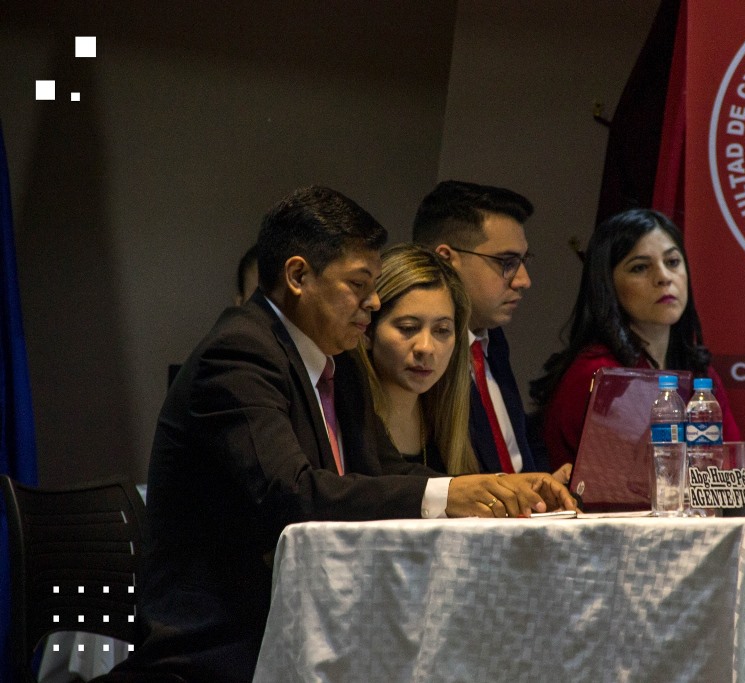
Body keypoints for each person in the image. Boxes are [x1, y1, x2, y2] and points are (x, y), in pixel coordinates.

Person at [110, 186, 574, 683]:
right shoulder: (240, 353)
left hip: (313, 625)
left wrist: (499, 489)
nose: (373, 302)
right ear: (297, 276)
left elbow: (380, 468)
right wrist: (448, 492)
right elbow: (290, 491)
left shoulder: (338, 361)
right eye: (358, 284)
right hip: (223, 645)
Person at [531, 208, 745, 471]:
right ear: (607, 284)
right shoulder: (598, 374)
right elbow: (638, 483)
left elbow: (733, 475)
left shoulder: (700, 375)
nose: (663, 277)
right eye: (640, 268)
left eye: (672, 262)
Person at [412, 180, 542, 475]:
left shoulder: (493, 338)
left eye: (523, 261)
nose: (523, 280)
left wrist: (538, 482)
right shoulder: (418, 355)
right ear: (445, 260)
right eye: (507, 262)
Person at [355, 243, 477, 475]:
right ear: (368, 331)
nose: (425, 347)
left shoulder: (445, 421)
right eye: (408, 327)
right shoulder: (347, 421)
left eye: (442, 330)